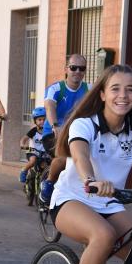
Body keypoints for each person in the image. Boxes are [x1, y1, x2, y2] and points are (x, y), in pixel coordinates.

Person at [49, 65, 132, 264]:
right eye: (115, 88)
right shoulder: (86, 124)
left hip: (109, 203)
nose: (123, 95)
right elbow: (80, 155)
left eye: (130, 90)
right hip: (72, 199)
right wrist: (90, 180)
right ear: (103, 94)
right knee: (102, 235)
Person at [39, 54, 90, 203]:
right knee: (63, 158)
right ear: (66, 69)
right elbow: (49, 107)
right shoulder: (56, 88)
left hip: (78, 135)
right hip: (53, 134)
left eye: (82, 68)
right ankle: (48, 183)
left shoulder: (89, 89)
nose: (77, 72)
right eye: (73, 67)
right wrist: (56, 126)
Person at [18, 107, 46, 183]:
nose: (42, 122)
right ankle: (24, 170)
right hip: (32, 151)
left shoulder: (48, 131)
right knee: (33, 160)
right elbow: (24, 139)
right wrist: (22, 144)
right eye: (39, 120)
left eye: (44, 119)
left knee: (47, 164)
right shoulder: (33, 131)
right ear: (35, 121)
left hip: (44, 152)